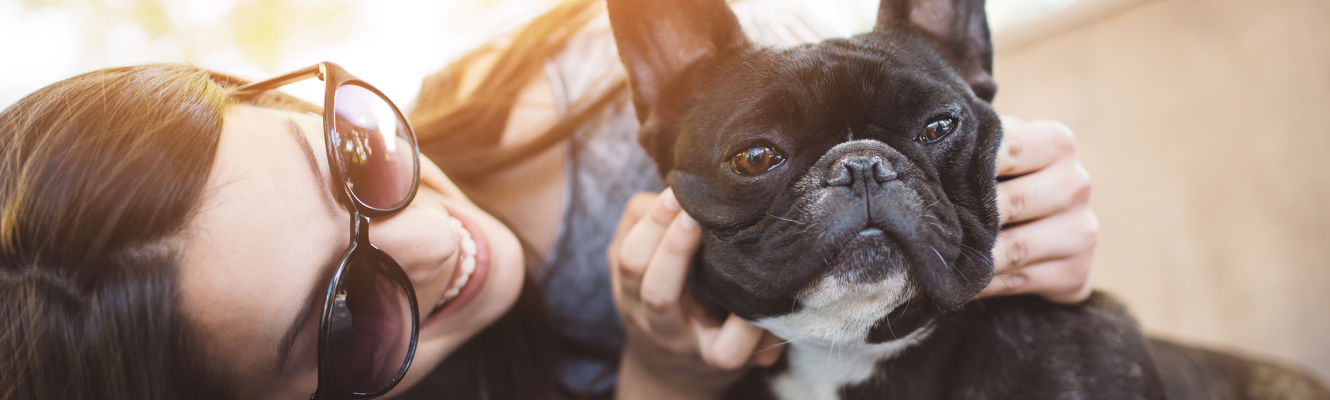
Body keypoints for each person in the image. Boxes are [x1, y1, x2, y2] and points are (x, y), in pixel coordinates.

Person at [0, 2, 1096, 400]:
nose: (434, 237)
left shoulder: (594, 88)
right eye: (349, 315)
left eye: (355, 154)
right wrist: (659, 377)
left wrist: (1022, 219)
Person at [399, 0, 1098, 399]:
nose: (863, 180)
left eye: (936, 127)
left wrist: (1024, 200)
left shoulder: (565, 91)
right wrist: (657, 378)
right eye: (759, 158)